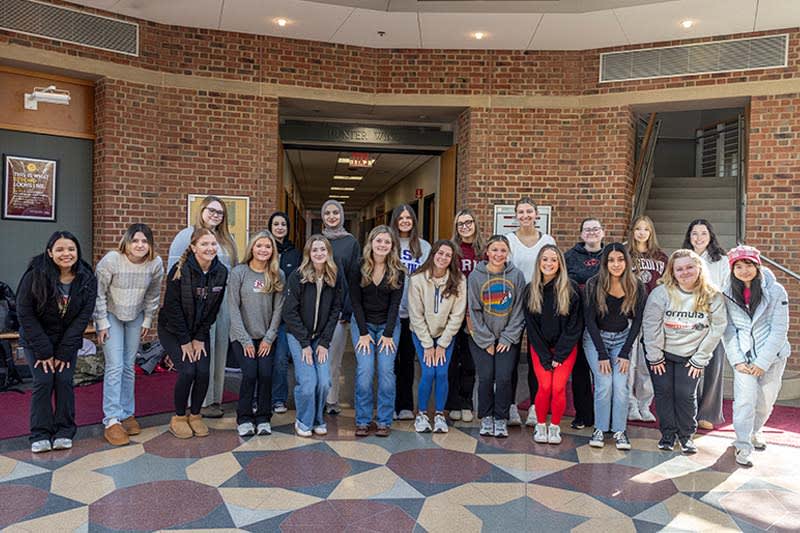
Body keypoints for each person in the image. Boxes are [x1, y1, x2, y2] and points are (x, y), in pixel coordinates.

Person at [17, 231, 97, 453]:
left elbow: (83, 316)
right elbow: (25, 314)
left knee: (63, 380)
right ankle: (40, 433)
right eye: (60, 249)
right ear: (50, 252)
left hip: (66, 342)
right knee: (43, 381)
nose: (66, 254)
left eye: (71, 249)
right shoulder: (35, 275)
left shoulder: (87, 277)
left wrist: (62, 352)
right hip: (37, 339)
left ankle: (64, 430)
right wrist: (45, 352)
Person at [643, 249, 726, 454]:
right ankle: (668, 435)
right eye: (679, 269)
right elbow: (650, 325)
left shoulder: (712, 295)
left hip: (691, 356)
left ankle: (686, 435)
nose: (685, 272)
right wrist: (654, 356)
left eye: (689, 267)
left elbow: (717, 329)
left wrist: (700, 359)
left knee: (685, 394)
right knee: (663, 394)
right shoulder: (661, 293)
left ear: (699, 268)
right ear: (672, 272)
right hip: (662, 354)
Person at [94, 223, 164, 446]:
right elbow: (99, 293)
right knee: (114, 365)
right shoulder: (112, 260)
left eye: (145, 241)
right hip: (112, 314)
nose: (140, 245)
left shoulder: (155, 263)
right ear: (127, 241)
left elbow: (153, 294)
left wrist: (147, 319)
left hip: (135, 314)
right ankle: (112, 419)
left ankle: (126, 413)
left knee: (128, 365)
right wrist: (102, 322)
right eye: (135, 240)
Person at [168, 195, 237, 419]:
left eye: (220, 212)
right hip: (194, 304)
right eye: (211, 210)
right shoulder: (185, 236)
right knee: (199, 352)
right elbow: (174, 273)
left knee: (218, 351)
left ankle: (214, 398)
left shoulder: (228, 240)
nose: (215, 215)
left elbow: (233, 273)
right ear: (202, 210)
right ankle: (197, 402)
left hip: (221, 302)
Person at [722, 245, 790, 467]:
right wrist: (738, 360)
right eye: (738, 266)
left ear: (757, 266)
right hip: (743, 358)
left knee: (764, 401)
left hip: (772, 357)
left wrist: (762, 362)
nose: (743, 270)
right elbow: (728, 328)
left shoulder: (776, 291)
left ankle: (755, 430)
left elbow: (779, 329)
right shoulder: (727, 293)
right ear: (732, 270)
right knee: (744, 401)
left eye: (748, 265)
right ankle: (742, 444)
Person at [159, 228, 228, 439]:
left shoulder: (221, 272)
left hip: (199, 331)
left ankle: (195, 415)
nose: (210, 248)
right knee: (188, 371)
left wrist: (198, 337)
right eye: (205, 244)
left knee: (203, 371)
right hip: (173, 330)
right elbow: (172, 308)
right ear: (193, 247)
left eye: (213, 244)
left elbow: (214, 309)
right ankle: (179, 417)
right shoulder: (179, 270)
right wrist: (185, 341)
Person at [583, 243, 646, 450]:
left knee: (620, 385)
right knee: (604, 383)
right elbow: (589, 321)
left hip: (622, 340)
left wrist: (626, 352)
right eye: (611, 260)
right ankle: (600, 429)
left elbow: (637, 321)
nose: (616, 264)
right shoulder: (594, 284)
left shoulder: (636, 285)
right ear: (605, 263)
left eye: (620, 259)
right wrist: (601, 353)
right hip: (596, 340)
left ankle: (619, 430)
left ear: (626, 262)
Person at [283, 235, 343, 437]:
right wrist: (305, 344)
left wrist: (324, 342)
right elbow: (289, 313)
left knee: (324, 381)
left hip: (321, 338)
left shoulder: (334, 276)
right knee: (308, 383)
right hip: (299, 336)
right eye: (315, 250)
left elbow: (335, 310)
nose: (319, 253)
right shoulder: (297, 276)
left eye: (323, 249)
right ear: (308, 253)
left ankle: (318, 419)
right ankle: (303, 421)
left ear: (328, 253)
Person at [468, 235, 526, 438]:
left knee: (503, 377)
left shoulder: (516, 276)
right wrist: (485, 340)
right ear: (487, 252)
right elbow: (473, 310)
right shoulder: (475, 276)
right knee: (485, 377)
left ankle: (501, 418)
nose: (498, 254)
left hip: (507, 338)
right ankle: (486, 417)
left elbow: (519, 309)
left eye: (502, 250)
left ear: (507, 253)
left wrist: (507, 338)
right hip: (481, 338)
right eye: (494, 250)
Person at [228, 231, 285, 437]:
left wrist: (269, 338)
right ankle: (244, 418)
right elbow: (233, 308)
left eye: (268, 247)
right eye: (259, 246)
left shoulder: (277, 274)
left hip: (266, 337)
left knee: (266, 375)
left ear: (273, 251)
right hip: (241, 335)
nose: (263, 250)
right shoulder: (239, 273)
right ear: (252, 247)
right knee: (250, 373)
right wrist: (245, 340)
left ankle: (263, 417)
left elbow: (279, 309)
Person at [349, 225, 405, 437]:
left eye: (387, 242)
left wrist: (388, 333)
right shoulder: (358, 266)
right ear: (371, 242)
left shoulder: (397, 270)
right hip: (362, 325)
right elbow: (355, 301)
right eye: (379, 241)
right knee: (365, 372)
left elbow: (395, 305)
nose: (382, 245)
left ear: (392, 246)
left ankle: (384, 420)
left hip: (387, 326)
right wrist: (363, 332)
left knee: (386, 373)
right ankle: (362, 420)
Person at [506, 197, 556, 427]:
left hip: (539, 303)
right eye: (521, 212)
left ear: (537, 214)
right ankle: (511, 406)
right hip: (514, 302)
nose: (525, 216)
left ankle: (536, 407)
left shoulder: (547, 240)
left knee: (537, 357)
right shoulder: (509, 240)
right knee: (512, 358)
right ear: (516, 215)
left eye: (529, 212)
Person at [407, 240, 467, 433]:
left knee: (441, 372)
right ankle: (422, 413)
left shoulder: (459, 281)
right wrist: (427, 345)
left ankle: (439, 414)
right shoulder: (417, 280)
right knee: (428, 372)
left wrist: (442, 344)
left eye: (448, 255)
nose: (443, 258)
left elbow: (457, 315)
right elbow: (415, 315)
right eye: (440, 253)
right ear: (433, 254)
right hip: (421, 333)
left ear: (452, 260)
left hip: (445, 335)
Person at [525, 245, 582, 445]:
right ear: (539, 263)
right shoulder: (531, 289)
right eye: (545, 259)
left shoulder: (571, 289)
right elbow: (531, 328)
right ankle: (541, 425)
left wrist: (559, 355)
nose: (549, 264)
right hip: (540, 349)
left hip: (564, 350)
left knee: (558, 387)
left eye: (554, 260)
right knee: (545, 385)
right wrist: (545, 356)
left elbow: (575, 326)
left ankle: (555, 427)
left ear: (560, 264)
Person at [683, 219, 729, 430]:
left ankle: (708, 413)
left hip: (712, 320)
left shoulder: (721, 260)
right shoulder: (682, 258)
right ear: (689, 237)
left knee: (713, 367)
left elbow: (726, 289)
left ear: (710, 236)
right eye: (694, 233)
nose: (699, 238)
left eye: (703, 233)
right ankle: (686, 410)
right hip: (686, 320)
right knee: (687, 367)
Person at [564, 217, 605, 430]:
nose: (591, 232)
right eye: (587, 230)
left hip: (604, 320)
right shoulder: (569, 257)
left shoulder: (611, 256)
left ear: (602, 233)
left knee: (602, 370)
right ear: (581, 235)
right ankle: (583, 414)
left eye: (595, 229)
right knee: (580, 370)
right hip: (577, 319)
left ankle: (603, 414)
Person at [320, 199, 361, 415]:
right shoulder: (317, 241)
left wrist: (348, 309)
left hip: (339, 312)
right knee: (317, 357)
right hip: (316, 310)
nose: (332, 216)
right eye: (328, 213)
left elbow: (354, 278)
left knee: (333, 359)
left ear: (342, 215)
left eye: (336, 212)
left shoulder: (351, 242)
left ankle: (331, 400)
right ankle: (317, 397)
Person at [391, 204, 431, 420]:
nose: (405, 221)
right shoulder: (389, 243)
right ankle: (390, 405)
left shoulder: (423, 247)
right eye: (401, 217)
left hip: (414, 313)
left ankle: (406, 405)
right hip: (391, 313)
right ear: (395, 220)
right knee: (390, 363)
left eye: (409, 218)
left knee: (407, 360)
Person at [626, 215, 667, 422]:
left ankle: (645, 404)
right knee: (629, 362)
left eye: (646, 229)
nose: (642, 233)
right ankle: (630, 404)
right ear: (632, 231)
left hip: (652, 317)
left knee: (647, 362)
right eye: (638, 229)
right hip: (630, 314)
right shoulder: (625, 254)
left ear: (651, 233)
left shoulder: (660, 257)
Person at [447, 208, 484, 423]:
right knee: (453, 359)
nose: (465, 227)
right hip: (454, 311)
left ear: (475, 224)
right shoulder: (452, 249)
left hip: (477, 313)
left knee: (470, 361)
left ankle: (467, 402)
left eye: (468, 222)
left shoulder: (483, 251)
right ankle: (453, 403)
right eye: (460, 224)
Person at [268, 211, 302, 414]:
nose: (280, 227)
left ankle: (279, 399)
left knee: (281, 358)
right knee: (262, 360)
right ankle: (263, 397)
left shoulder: (294, 253)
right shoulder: (263, 248)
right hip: (264, 313)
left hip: (285, 316)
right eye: (276, 224)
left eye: (283, 224)